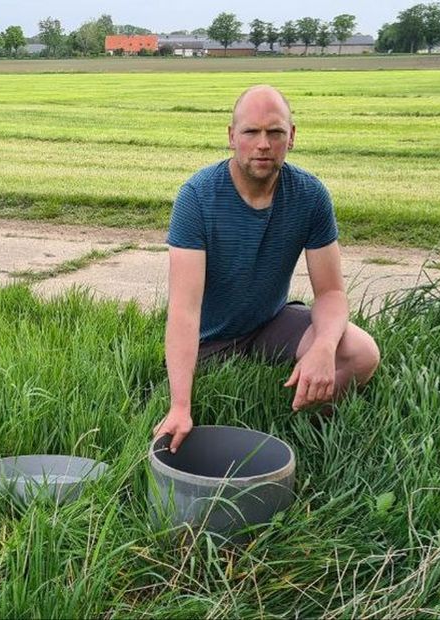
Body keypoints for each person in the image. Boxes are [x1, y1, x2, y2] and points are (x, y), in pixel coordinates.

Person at [153, 85, 381, 453]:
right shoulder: (196, 197)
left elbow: (331, 293)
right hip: (210, 339)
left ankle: (306, 426)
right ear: (231, 137)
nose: (263, 144)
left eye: (274, 132)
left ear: (291, 137)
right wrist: (180, 405)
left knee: (362, 352)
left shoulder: (310, 196)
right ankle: (268, 407)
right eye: (251, 132)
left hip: (270, 324)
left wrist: (323, 346)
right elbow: (183, 310)